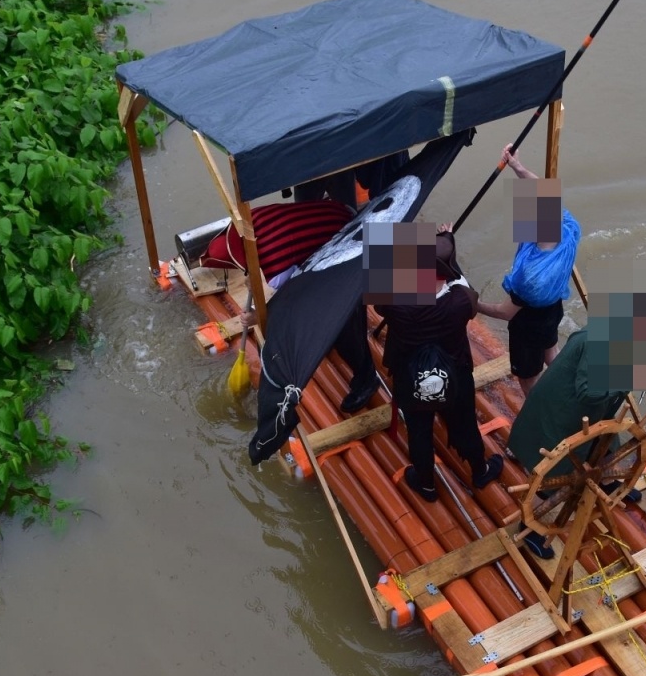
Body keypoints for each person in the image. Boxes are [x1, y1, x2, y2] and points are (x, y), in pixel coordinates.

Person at [506, 324, 646, 557]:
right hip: (564, 411)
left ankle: (608, 482)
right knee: (556, 471)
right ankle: (530, 524)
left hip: (595, 413)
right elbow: (588, 392)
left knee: (606, 444)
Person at [207, 201, 380, 412]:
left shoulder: (276, 267)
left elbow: (294, 301)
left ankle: (367, 378)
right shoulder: (250, 218)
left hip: (348, 246)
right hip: (342, 212)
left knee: (343, 323)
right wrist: (252, 271)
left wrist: (258, 316)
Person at [375, 226, 505, 501]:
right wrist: (447, 242)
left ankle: (426, 484)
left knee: (419, 430)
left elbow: (378, 297)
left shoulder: (395, 299)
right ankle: (480, 470)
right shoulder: (461, 298)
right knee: (465, 422)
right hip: (455, 373)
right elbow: (461, 282)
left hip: (410, 376)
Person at [475, 145, 581, 394]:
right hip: (553, 309)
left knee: (528, 376)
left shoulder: (529, 277)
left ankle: (537, 406)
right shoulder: (568, 229)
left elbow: (505, 312)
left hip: (528, 324)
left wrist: (474, 304)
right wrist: (517, 167)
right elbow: (544, 193)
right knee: (551, 350)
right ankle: (566, 389)